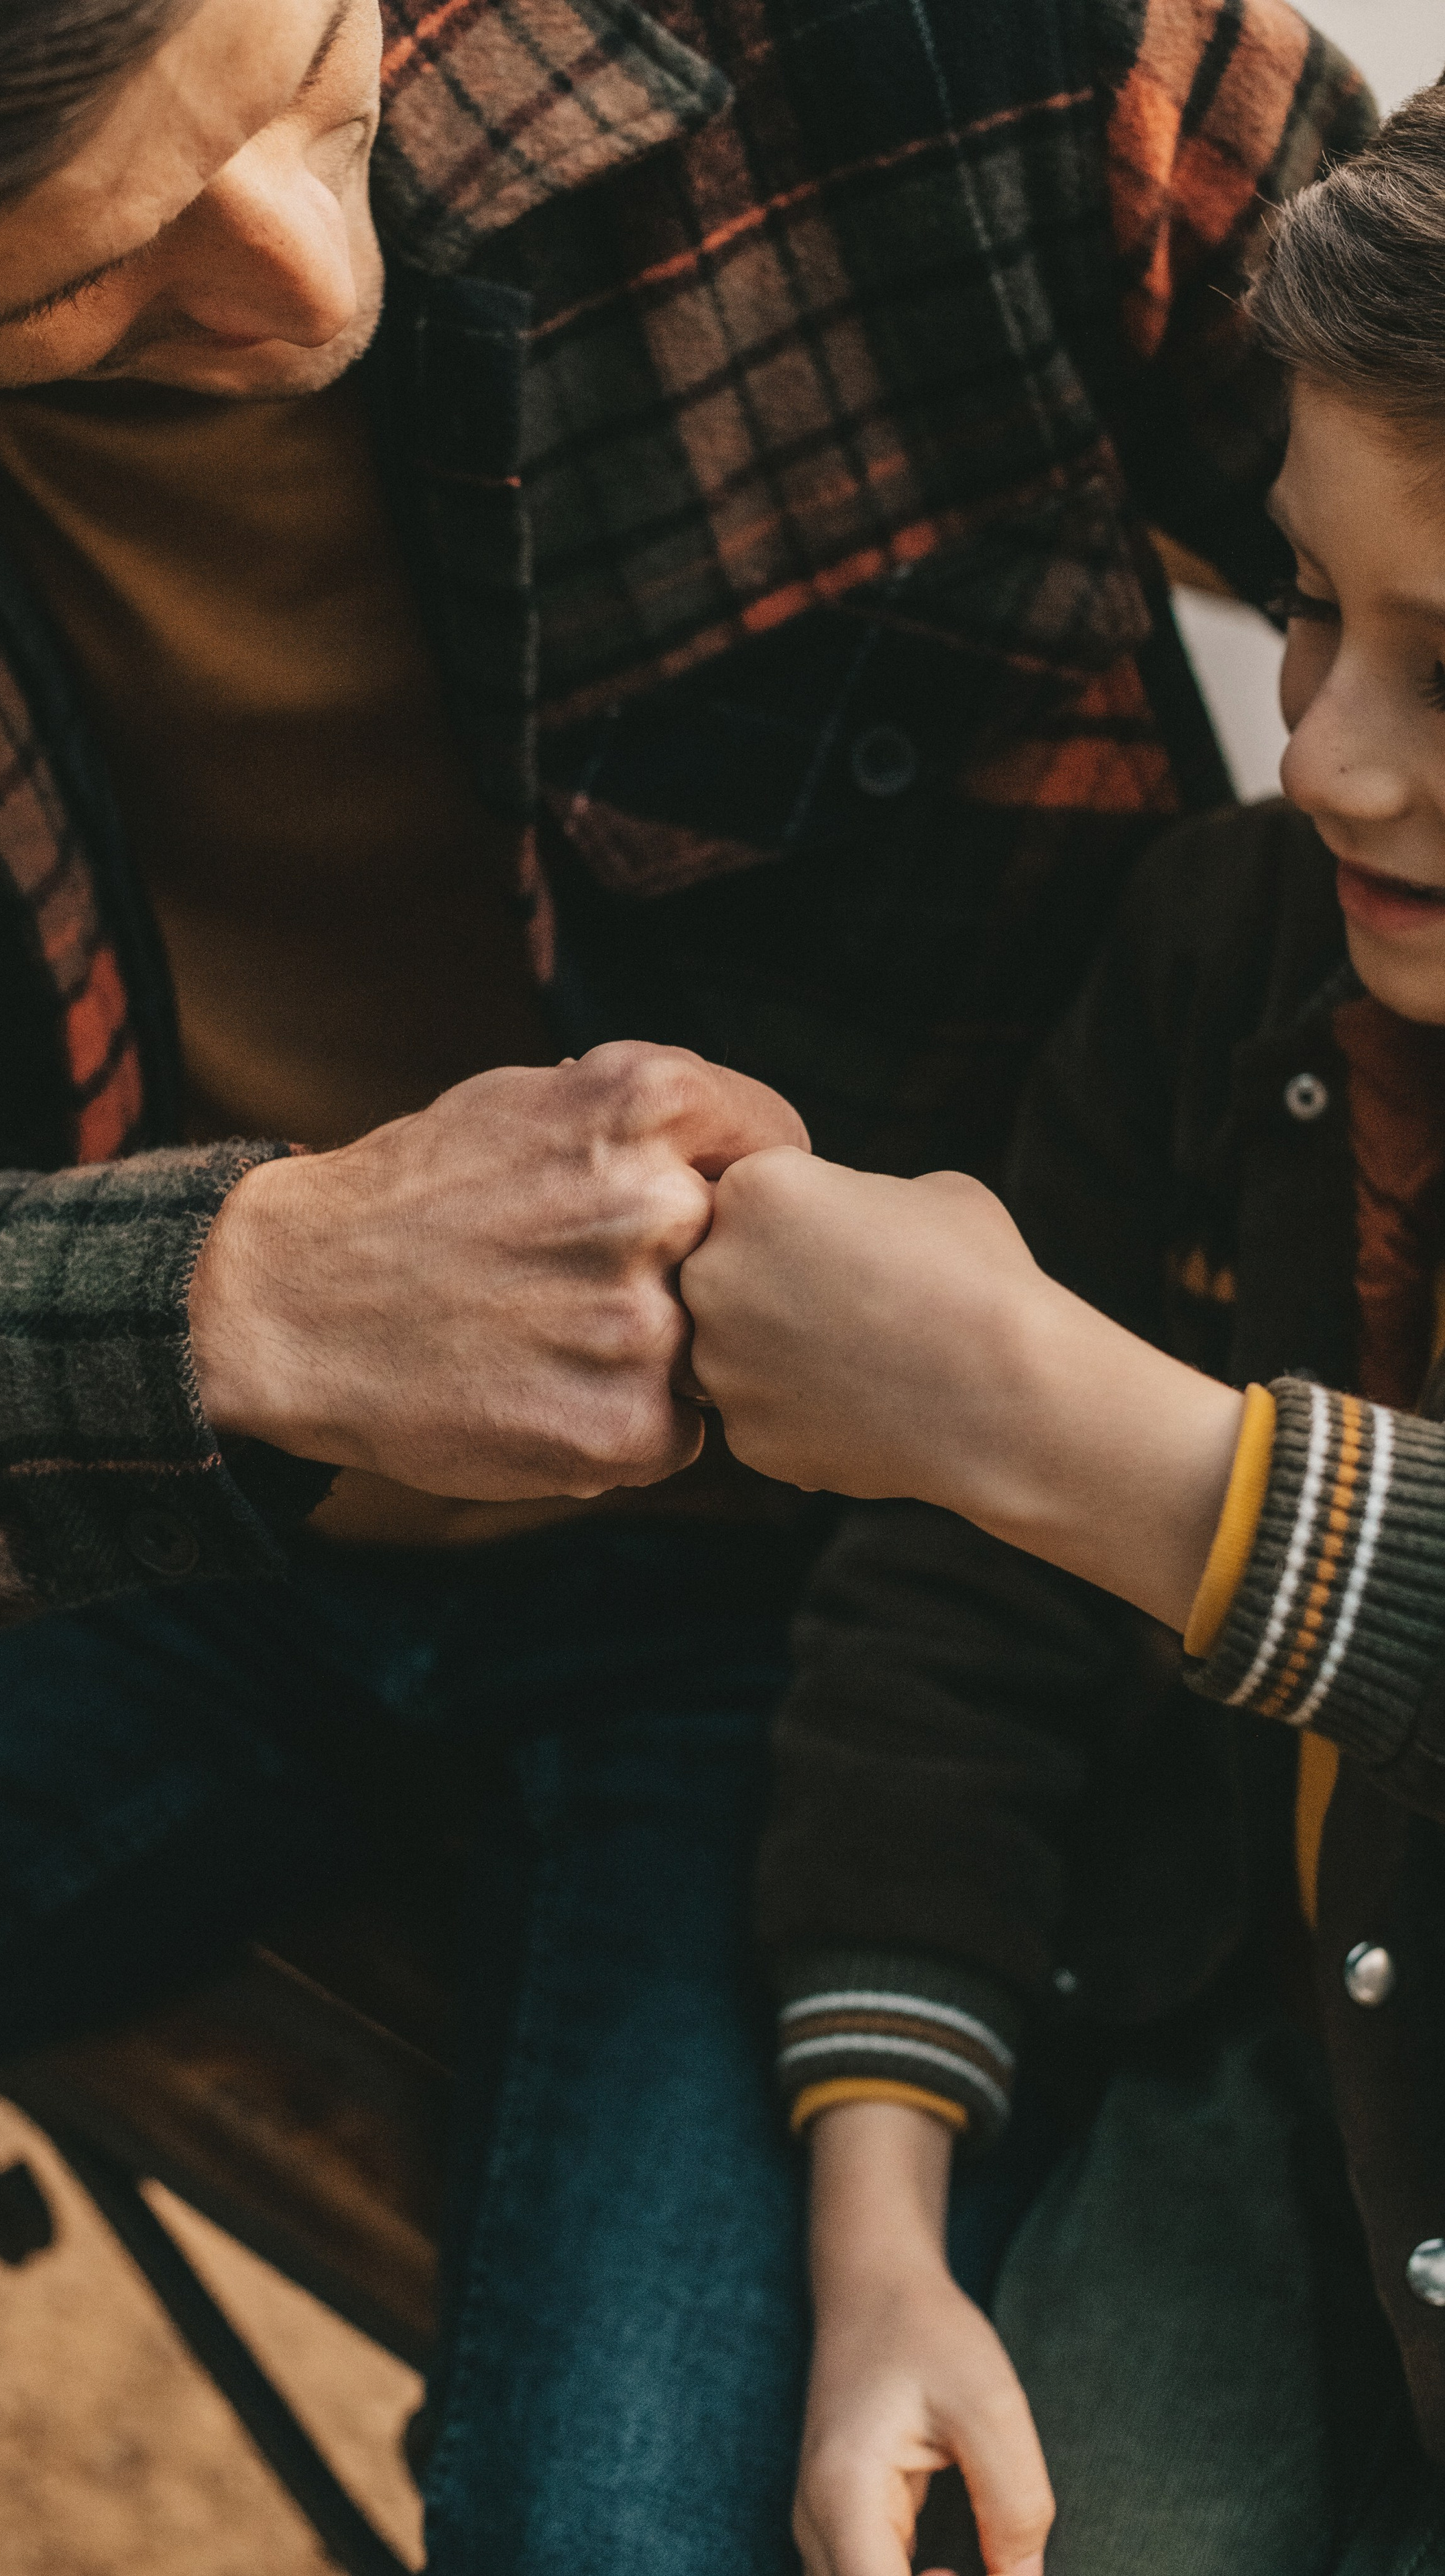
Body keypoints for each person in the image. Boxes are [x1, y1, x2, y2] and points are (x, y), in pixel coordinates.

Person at [0, 0, 1369, 2564]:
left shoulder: (996, 44)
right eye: (74, 288)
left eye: (294, 78)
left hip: (844, 1623)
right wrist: (226, 1304)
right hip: (50, 1550)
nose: (296, 278)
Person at [684, 74, 1445, 2576]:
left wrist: (1066, 1427)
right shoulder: (1227, 958)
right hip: (1253, 2079)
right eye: (1310, 605)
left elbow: (1042, 1478)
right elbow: (951, 1637)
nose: (1324, 756)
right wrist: (885, 2250)